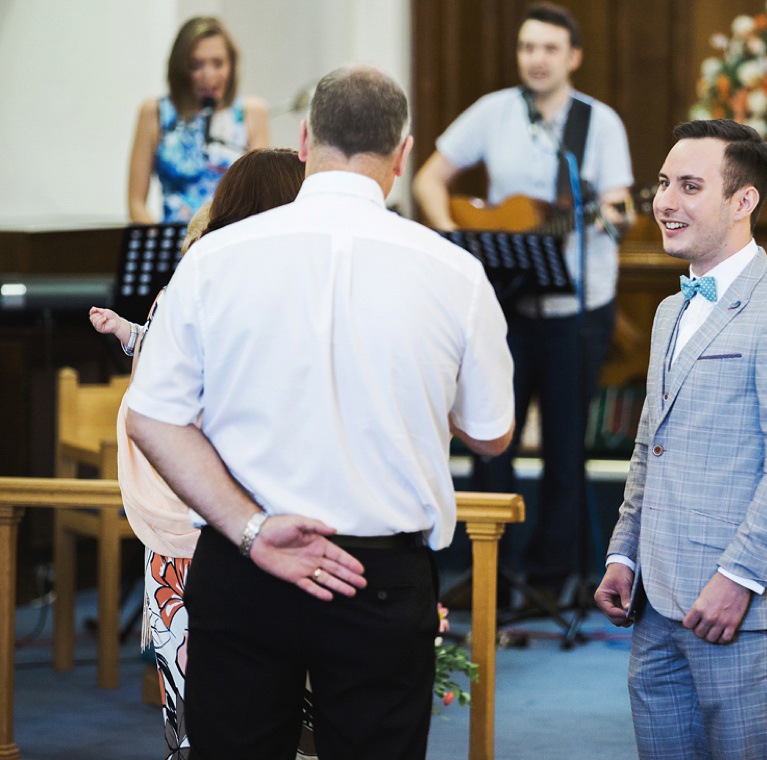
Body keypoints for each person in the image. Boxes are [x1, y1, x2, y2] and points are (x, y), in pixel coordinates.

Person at [125, 65, 515, 759]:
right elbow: (490, 436)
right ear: (403, 153)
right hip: (380, 578)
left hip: (245, 565)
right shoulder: (453, 271)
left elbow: (152, 416)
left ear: (304, 139)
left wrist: (249, 529)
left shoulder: (216, 258)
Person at [594, 119, 767, 759]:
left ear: (742, 201)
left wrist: (738, 579)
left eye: (689, 186)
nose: (664, 201)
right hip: (655, 604)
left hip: (743, 611)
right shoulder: (669, 311)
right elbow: (651, 445)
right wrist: (625, 554)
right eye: (663, 183)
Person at [412, 1, 633, 605]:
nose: (536, 59)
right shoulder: (493, 111)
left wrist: (610, 217)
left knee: (566, 449)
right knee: (490, 441)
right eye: (528, 47)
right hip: (504, 310)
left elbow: (618, 204)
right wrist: (456, 240)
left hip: (576, 313)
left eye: (549, 49)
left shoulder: (598, 124)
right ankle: (492, 576)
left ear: (573, 57)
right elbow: (429, 177)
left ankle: (551, 577)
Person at [91, 148, 309, 760]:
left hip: (208, 519)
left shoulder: (208, 282)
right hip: (208, 515)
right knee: (218, 708)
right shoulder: (210, 288)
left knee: (209, 709)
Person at [127, 16, 269, 224]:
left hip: (231, 241)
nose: (208, 75)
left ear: (231, 65)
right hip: (174, 247)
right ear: (180, 68)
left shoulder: (253, 112)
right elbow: (136, 204)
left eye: (218, 63)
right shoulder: (154, 112)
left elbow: (261, 198)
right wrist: (159, 241)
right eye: (196, 65)